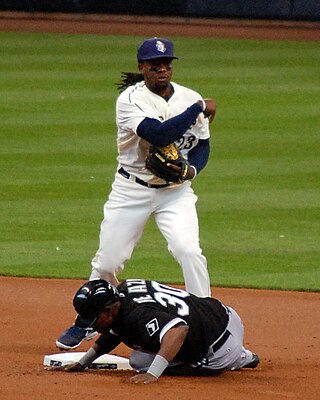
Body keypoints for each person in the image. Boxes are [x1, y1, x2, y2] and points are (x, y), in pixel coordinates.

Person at [56, 37, 217, 350]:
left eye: (167, 65)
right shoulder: (131, 100)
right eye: (155, 66)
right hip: (131, 190)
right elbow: (159, 134)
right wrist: (197, 108)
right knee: (107, 263)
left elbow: (202, 145)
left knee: (189, 252)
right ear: (141, 68)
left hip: (176, 193)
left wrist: (192, 170)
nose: (162, 71)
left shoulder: (188, 96)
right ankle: (92, 320)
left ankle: (208, 322)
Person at [50, 279, 260, 384]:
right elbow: (116, 330)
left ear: (108, 310)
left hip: (218, 343)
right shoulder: (122, 295)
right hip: (221, 313)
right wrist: (83, 363)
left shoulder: (138, 315)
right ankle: (241, 355)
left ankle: (236, 357)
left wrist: (153, 373)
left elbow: (178, 329)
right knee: (139, 358)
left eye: (94, 320)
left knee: (144, 365)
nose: (93, 326)